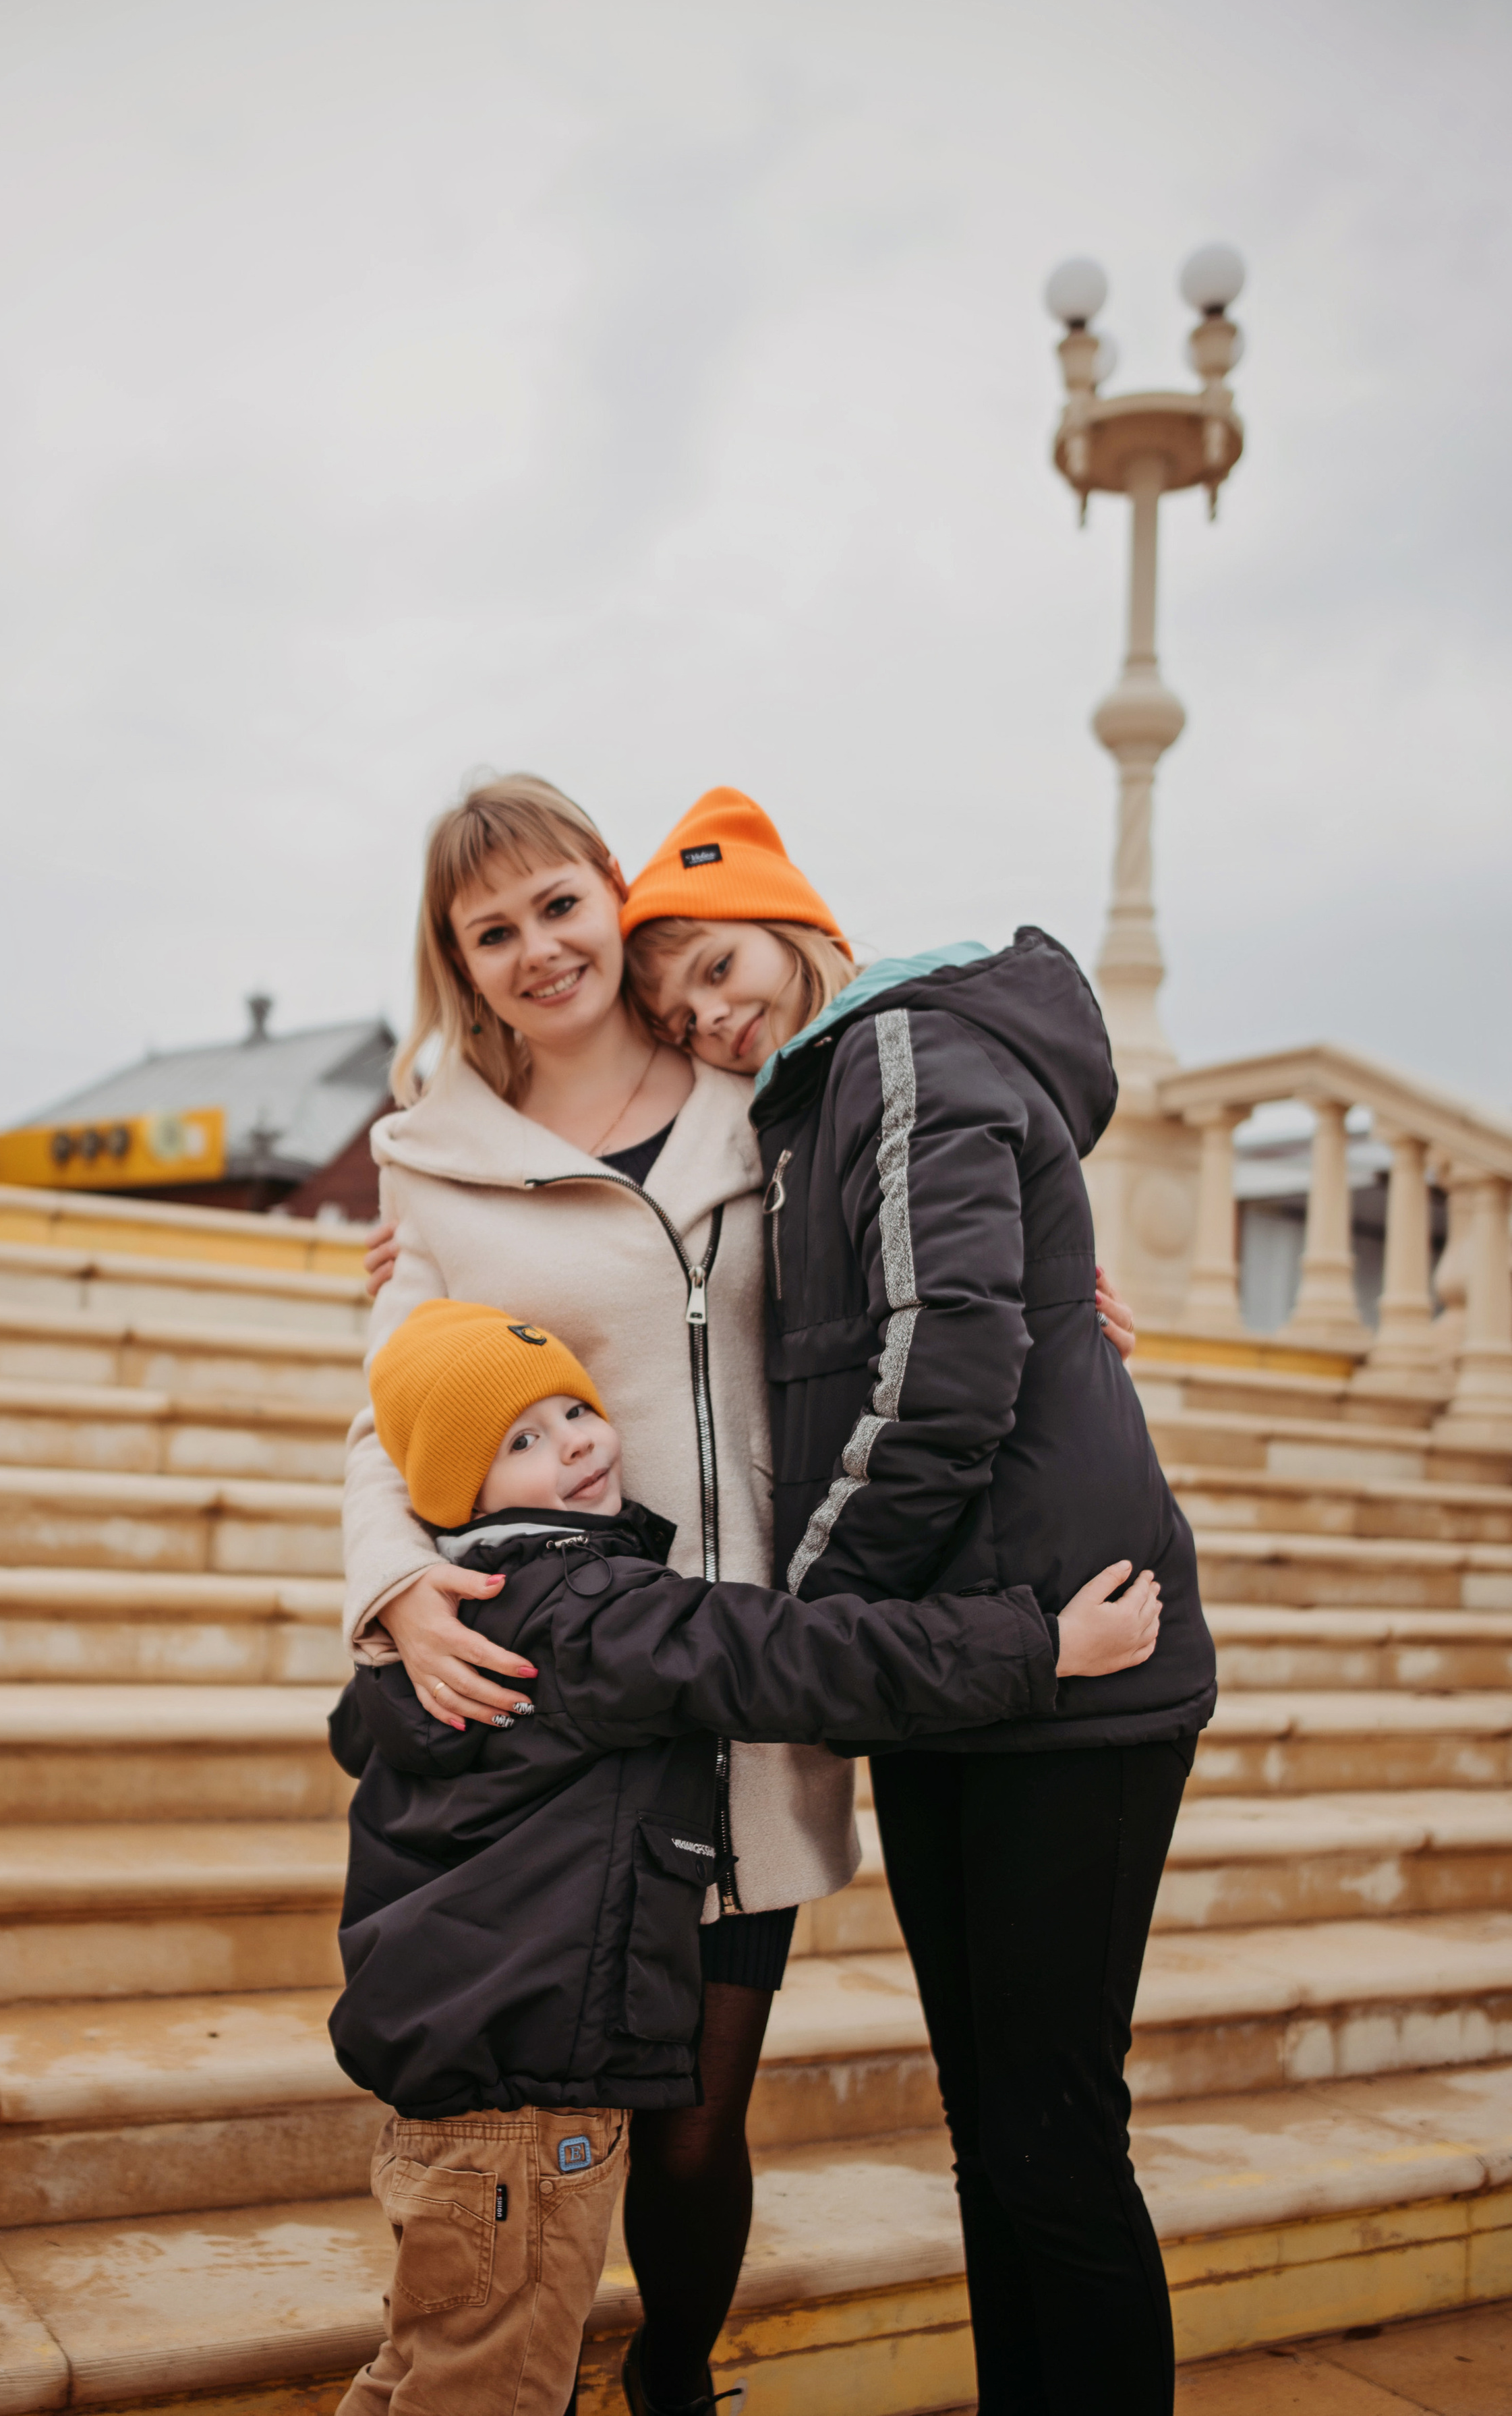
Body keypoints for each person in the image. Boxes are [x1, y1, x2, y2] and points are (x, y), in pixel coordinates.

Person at [346, 772, 1138, 2416]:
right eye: (489, 933)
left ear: (609, 907)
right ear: (458, 964)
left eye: (560, 906)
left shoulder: (769, 1095)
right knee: (552, 2103)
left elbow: (911, 1248)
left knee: (704, 2118)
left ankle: (675, 2386)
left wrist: (1051, 1263)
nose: (535, 950)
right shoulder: (432, 1164)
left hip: (771, 1661)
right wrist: (394, 1590)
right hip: (574, 1695)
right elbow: (387, 1408)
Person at [622, 786, 1219, 2416]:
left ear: (798, 928)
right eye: (676, 1004)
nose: (709, 1014)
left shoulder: (897, 1053)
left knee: (1045, 2135)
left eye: (721, 964)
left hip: (1069, 1661)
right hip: (965, 1667)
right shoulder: (819, 1102)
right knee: (1000, 2132)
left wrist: (809, 1631)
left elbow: (939, 1369)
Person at [328, 1296, 1160, 2416]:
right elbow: (803, 1659)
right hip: (532, 2098)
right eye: (520, 1440)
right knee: (493, 2387)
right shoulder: (590, 1614)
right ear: (451, 1491)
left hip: (454, 2091)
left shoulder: (446, 1634)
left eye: (576, 1407)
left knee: (429, 2365)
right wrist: (1042, 1643)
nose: (573, 1441)